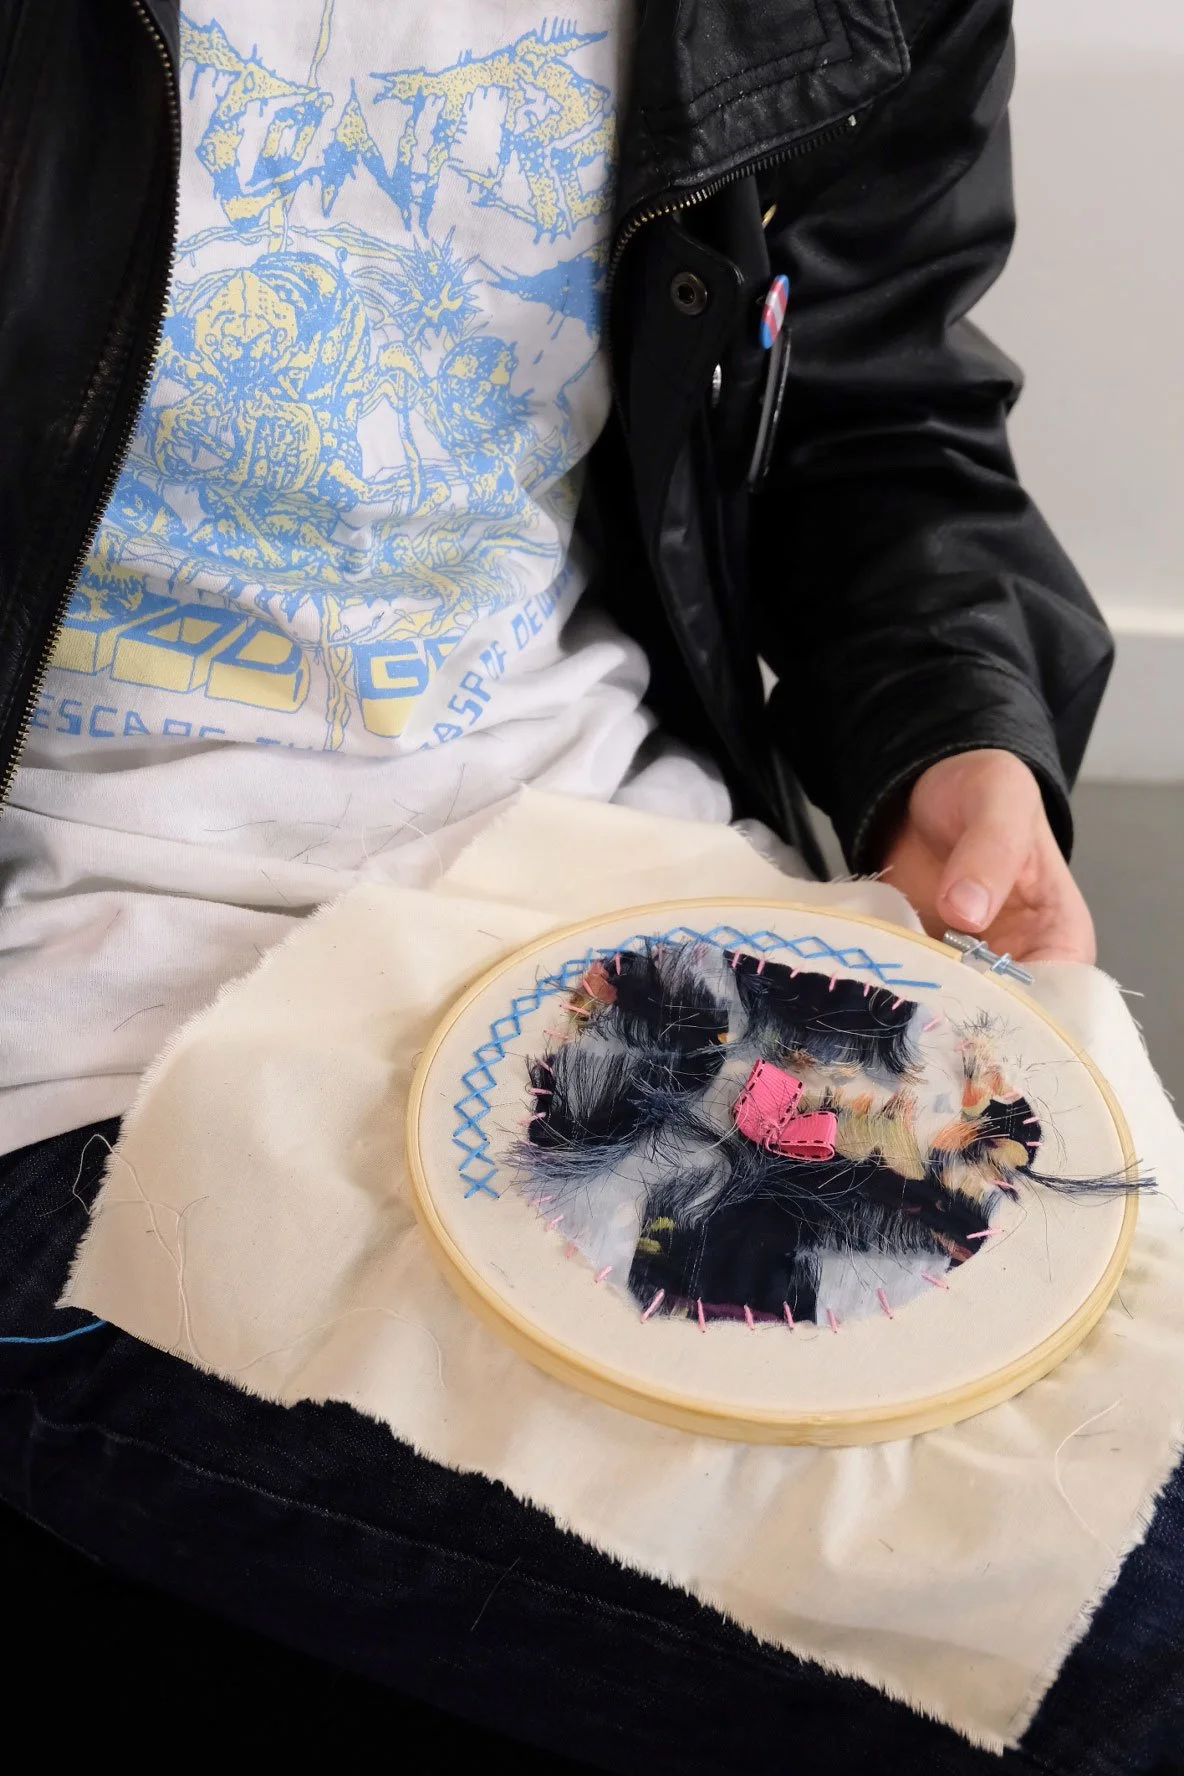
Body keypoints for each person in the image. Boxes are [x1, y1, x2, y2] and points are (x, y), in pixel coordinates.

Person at [3, 4, 1179, 1771]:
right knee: (1116, 1667)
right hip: (77, 979)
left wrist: (951, 730)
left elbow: (872, 397)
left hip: (627, 871)